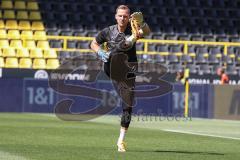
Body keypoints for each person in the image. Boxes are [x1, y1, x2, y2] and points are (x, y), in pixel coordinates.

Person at [90, 5, 150, 152]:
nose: (122, 18)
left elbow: (147, 31)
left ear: (129, 17)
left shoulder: (133, 28)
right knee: (116, 49)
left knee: (128, 106)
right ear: (116, 16)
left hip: (128, 72)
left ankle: (121, 141)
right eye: (120, 15)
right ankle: (114, 51)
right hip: (111, 67)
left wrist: (141, 24)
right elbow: (93, 43)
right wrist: (99, 52)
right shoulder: (108, 31)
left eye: (125, 16)